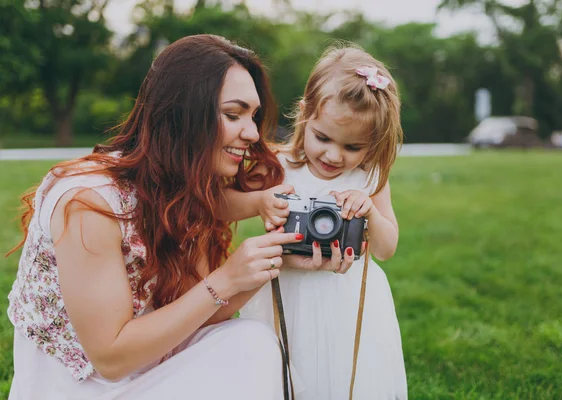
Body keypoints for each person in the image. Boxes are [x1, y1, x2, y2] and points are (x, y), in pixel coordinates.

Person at [6, 34, 303, 400]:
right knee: (250, 347)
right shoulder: (89, 202)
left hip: (150, 368)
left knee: (250, 341)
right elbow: (110, 358)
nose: (253, 133)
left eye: (253, 116)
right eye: (233, 114)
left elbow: (197, 318)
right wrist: (226, 279)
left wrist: (265, 266)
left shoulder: (182, 189)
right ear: (182, 114)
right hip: (80, 387)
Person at [237, 45, 408, 399]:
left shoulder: (370, 176)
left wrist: (369, 211)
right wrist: (261, 203)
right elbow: (225, 205)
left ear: (372, 144)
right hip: (287, 292)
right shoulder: (278, 166)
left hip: (349, 298)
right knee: (286, 375)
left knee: (345, 377)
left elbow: (387, 248)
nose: (333, 155)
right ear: (305, 115)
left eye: (353, 147)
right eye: (323, 137)